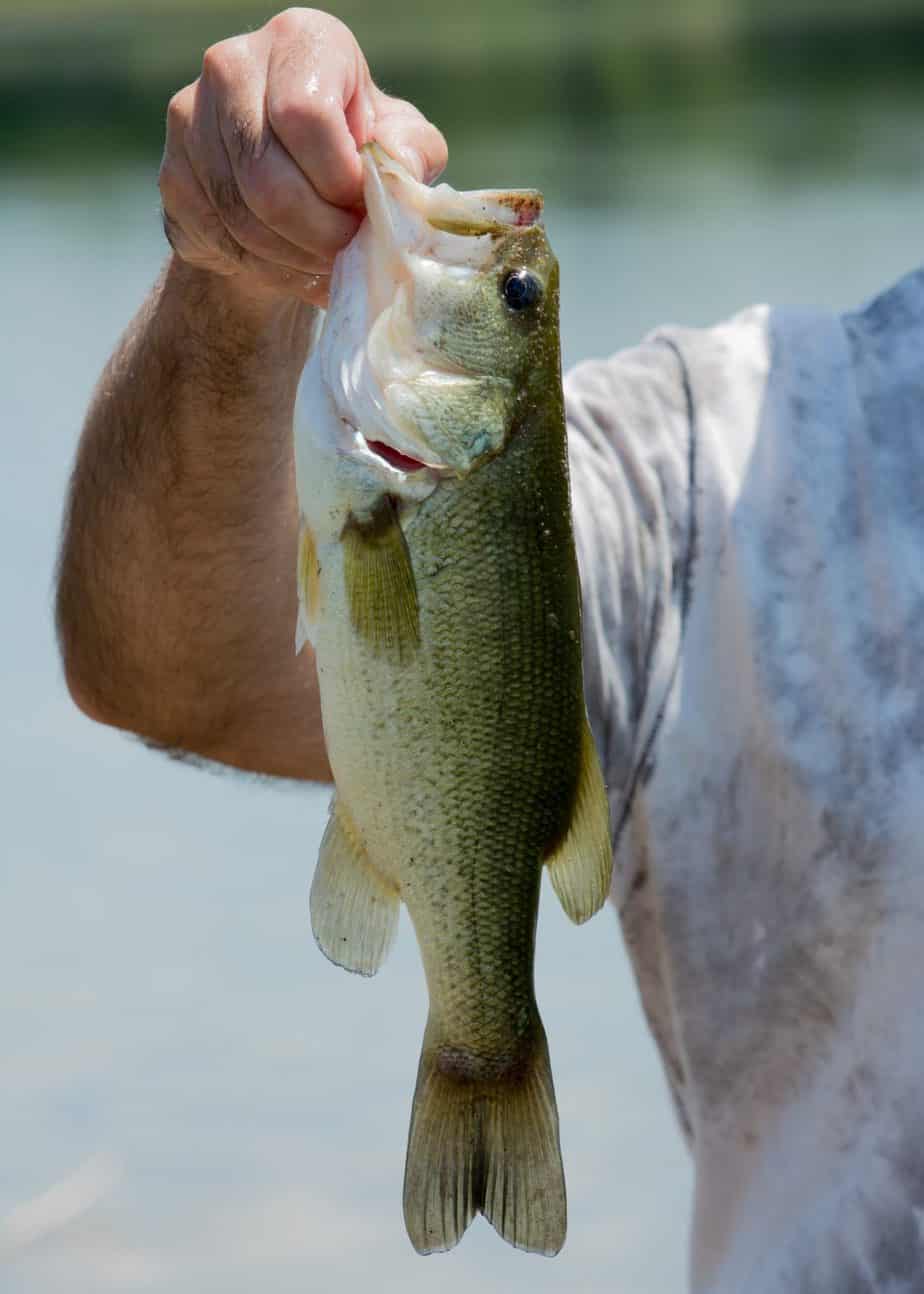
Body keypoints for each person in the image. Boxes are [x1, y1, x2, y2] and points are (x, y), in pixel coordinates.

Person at [55, 9, 924, 1292]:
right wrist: (236, 279)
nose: (503, 272)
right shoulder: (725, 461)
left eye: (512, 296)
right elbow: (167, 675)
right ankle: (484, 1040)